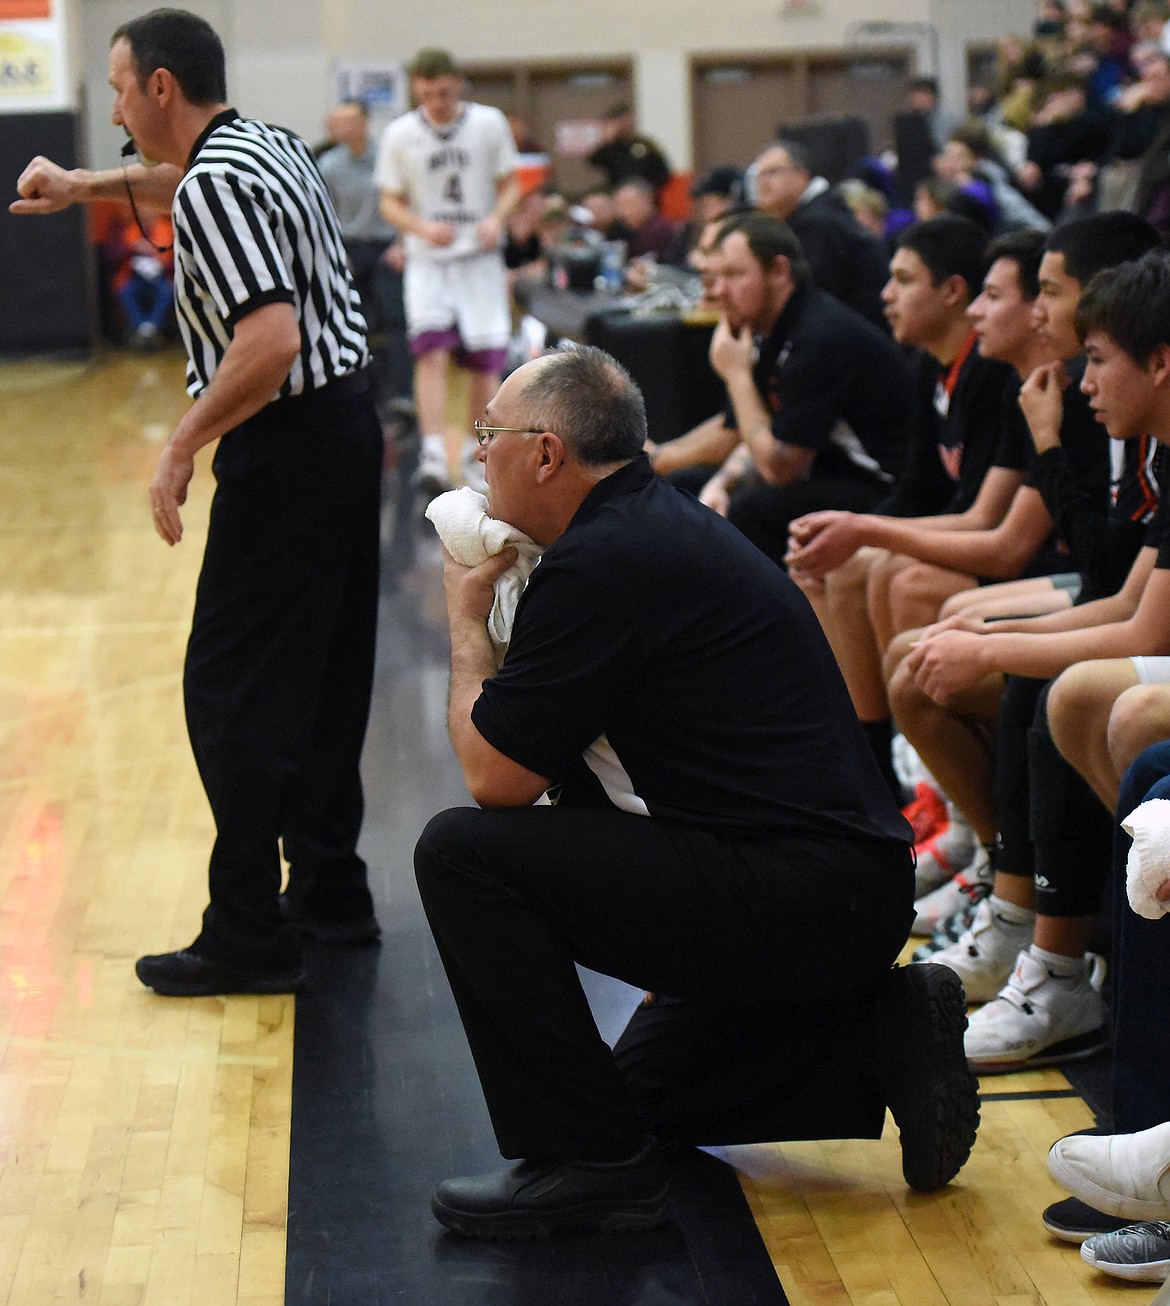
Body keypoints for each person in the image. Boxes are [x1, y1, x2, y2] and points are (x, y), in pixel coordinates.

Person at [414, 343, 978, 1240]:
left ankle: (588, 1169)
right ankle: (880, 1039)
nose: (479, 454)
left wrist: (463, 616)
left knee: (461, 853)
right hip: (824, 886)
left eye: (491, 435)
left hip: (801, 891)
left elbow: (495, 779)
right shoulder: (634, 528)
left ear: (548, 453)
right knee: (634, 1100)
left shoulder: (605, 561)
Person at [11, 8, 384, 995]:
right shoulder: (261, 144)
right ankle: (332, 892)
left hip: (289, 445)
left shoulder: (217, 181)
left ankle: (248, 931)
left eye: (123, 87)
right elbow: (189, 182)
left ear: (161, 88)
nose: (119, 104)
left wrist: (181, 446)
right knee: (324, 673)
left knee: (228, 693)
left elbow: (267, 340)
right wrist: (86, 186)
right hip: (348, 432)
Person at [648, 212, 915, 569]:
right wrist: (720, 480)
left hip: (886, 485)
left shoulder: (819, 336)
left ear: (778, 271)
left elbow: (779, 467)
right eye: (716, 276)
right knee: (684, 488)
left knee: (752, 510)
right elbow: (742, 428)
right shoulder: (770, 327)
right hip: (835, 469)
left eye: (734, 275)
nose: (719, 290)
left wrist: (737, 375)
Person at [376, 48, 519, 497]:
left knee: (484, 362)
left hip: (478, 257)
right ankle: (434, 451)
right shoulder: (400, 133)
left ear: (458, 84)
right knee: (430, 354)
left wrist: (497, 218)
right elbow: (389, 201)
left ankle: (479, 453)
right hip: (429, 261)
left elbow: (512, 183)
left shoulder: (488, 123)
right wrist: (419, 226)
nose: (436, 102)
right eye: (426, 94)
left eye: (442, 92)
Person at [317, 99, 412, 408]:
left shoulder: (388, 158)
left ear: (365, 122)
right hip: (350, 249)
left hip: (387, 247)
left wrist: (403, 244)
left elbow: (408, 201)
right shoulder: (328, 164)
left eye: (349, 120)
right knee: (352, 321)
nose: (342, 127)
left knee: (396, 320)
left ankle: (402, 394)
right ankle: (358, 391)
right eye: (338, 121)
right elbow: (322, 214)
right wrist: (336, 253)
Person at [750, 138, 891, 328]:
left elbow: (809, 301)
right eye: (759, 175)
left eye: (772, 173)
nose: (763, 184)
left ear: (802, 176)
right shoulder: (820, 211)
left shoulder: (819, 222)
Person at [586, 101, 671, 191]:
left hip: (644, 194)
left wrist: (651, 190)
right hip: (618, 194)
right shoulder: (610, 148)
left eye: (628, 120)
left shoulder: (645, 145)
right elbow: (593, 161)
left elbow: (663, 172)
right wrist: (606, 139)